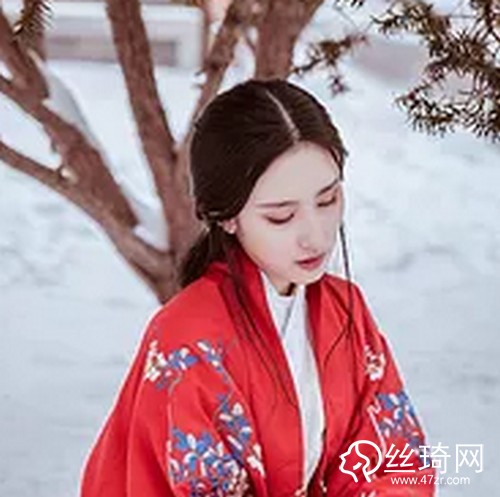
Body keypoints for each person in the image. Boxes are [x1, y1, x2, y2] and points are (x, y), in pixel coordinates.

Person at [80, 79, 436, 497]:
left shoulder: (346, 309)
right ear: (227, 217)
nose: (316, 236)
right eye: (281, 216)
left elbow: (398, 461)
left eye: (327, 201)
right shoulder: (187, 339)